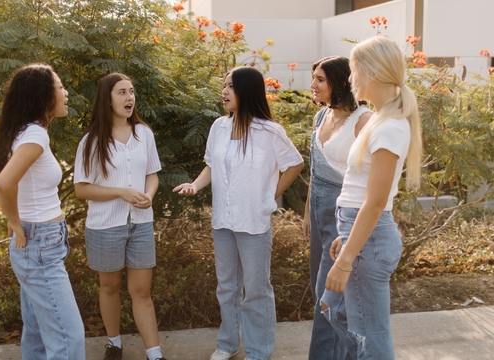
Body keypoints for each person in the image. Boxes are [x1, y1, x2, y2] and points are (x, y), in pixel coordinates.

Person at [173, 66, 304, 360]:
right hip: (223, 219)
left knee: (256, 290)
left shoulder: (270, 132)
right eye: (223, 86)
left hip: (254, 222)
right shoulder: (218, 127)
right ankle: (228, 344)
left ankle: (258, 351)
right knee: (227, 287)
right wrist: (195, 185)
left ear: (247, 90)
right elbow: (211, 165)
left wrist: (270, 194)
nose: (224, 92)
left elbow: (295, 164)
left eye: (231, 86)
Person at [321, 36, 423, 360]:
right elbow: (359, 189)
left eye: (352, 70)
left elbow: (376, 202)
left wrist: (346, 258)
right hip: (357, 230)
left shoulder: (391, 127)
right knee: (333, 309)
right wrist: (347, 238)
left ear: (372, 72)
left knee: (371, 336)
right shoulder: (378, 119)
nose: (349, 79)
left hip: (370, 237)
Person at [0, 63, 85, 360]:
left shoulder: (23, 131)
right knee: (68, 339)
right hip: (39, 245)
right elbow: (5, 182)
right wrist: (14, 221)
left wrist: (18, 220)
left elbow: (16, 183)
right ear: (43, 96)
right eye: (59, 87)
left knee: (38, 336)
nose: (65, 92)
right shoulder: (34, 136)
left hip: (38, 244)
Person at [73, 73, 166, 360]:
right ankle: (114, 343)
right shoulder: (90, 142)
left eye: (132, 91)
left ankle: (155, 353)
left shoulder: (144, 134)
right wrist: (121, 192)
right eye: (122, 92)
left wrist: (148, 195)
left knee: (141, 291)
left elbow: (152, 174)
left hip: (141, 223)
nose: (129, 98)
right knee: (109, 287)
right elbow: (81, 189)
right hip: (105, 226)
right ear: (107, 98)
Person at [302, 56, 372, 360]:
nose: (313, 85)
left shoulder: (363, 120)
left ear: (340, 82)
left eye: (320, 79)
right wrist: (307, 212)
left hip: (344, 213)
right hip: (318, 211)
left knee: (330, 298)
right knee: (323, 294)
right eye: (313, 78)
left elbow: (371, 179)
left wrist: (352, 230)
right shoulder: (321, 118)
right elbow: (315, 171)